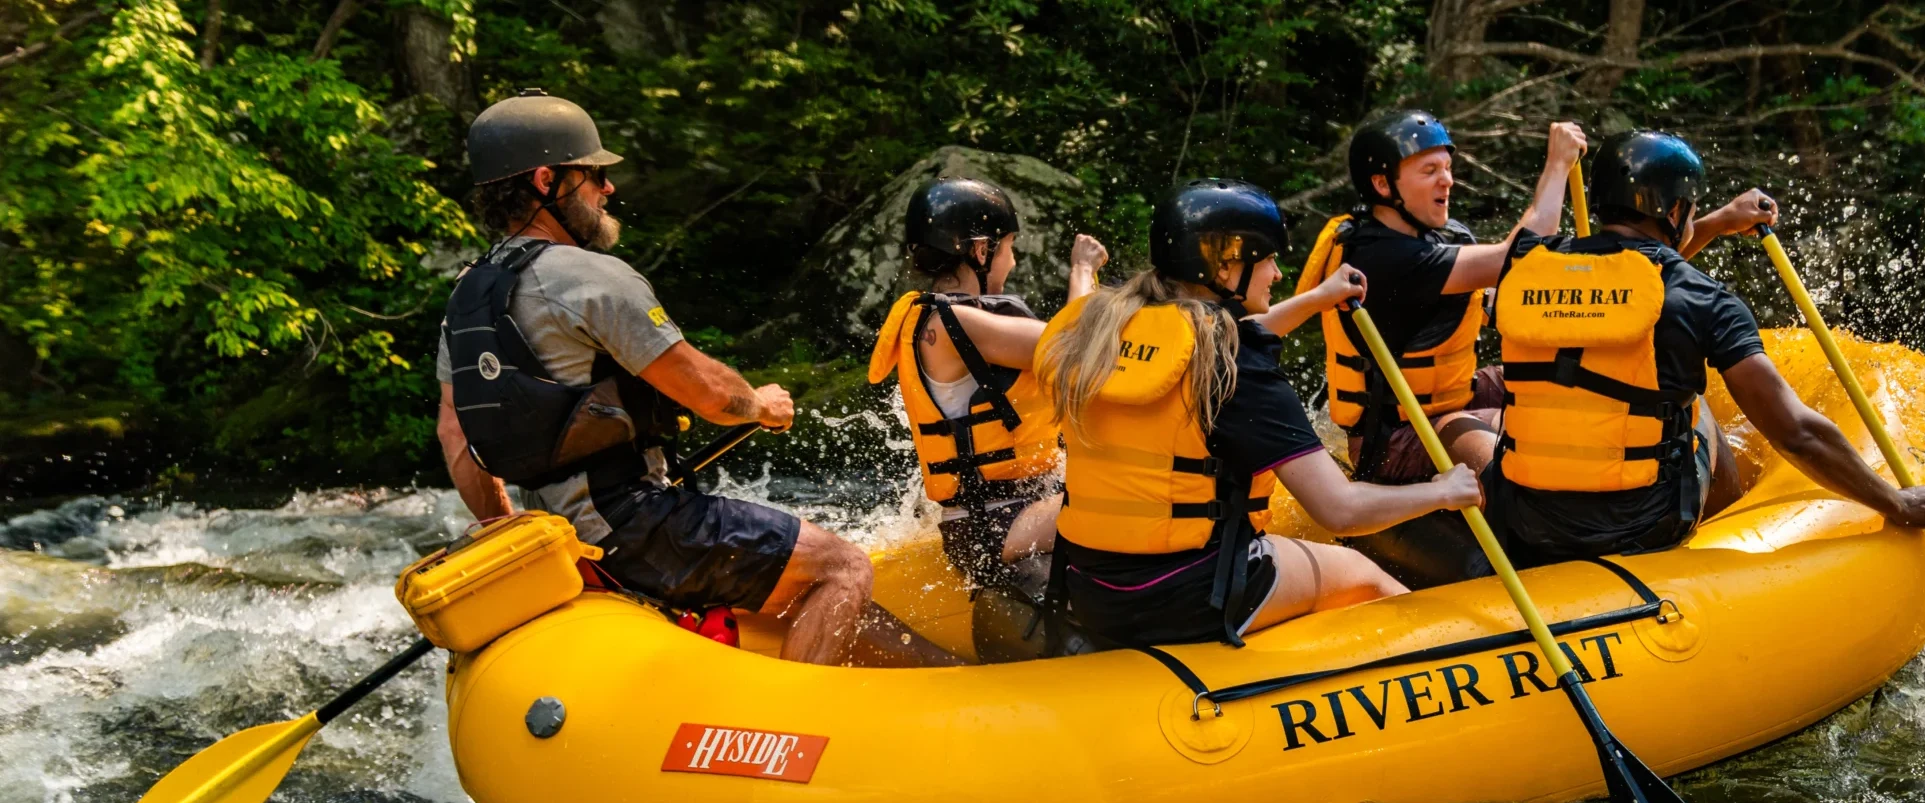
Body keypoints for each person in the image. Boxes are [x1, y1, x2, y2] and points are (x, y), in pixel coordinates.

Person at [434, 90, 954, 667]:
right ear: (544, 181)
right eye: (590, 176)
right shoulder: (588, 277)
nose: (607, 189)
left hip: (563, 535)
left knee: (801, 585)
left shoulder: (468, 294)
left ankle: (946, 677)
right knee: (842, 566)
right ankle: (784, 736)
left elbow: (456, 436)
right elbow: (707, 395)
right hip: (632, 524)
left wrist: (518, 543)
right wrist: (759, 404)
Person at [1034, 180, 1482, 648]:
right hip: (1182, 596)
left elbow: (1221, 335)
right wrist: (1441, 491)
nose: (1278, 273)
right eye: (1267, 259)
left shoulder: (1106, 327)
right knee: (1362, 573)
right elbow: (1340, 511)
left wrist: (1317, 299)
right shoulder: (1234, 367)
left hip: (1091, 586)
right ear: (1225, 269)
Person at [1484, 129, 1925, 568]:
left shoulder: (1526, 270)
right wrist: (1895, 501)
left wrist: (1720, 221)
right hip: (1634, 527)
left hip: (1524, 519)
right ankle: (1728, 524)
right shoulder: (1703, 298)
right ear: (1674, 210)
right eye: (1691, 207)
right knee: (1692, 404)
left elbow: (1632, 287)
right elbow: (1796, 433)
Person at [1292, 112, 1586, 585]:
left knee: (1562, 381)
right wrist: (1555, 168)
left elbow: (1507, 291)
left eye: (1447, 167)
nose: (1447, 179)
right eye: (1428, 171)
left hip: (1448, 397)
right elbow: (1520, 257)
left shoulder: (1432, 238)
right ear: (1383, 186)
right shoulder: (1379, 256)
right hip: (1396, 437)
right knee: (1524, 435)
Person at [865, 179, 1108, 598]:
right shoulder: (954, 322)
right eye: (1009, 247)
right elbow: (1078, 350)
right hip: (997, 525)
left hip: (994, 517)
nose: (1012, 262)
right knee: (1134, 496)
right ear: (980, 250)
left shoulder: (938, 317)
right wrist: (1083, 270)